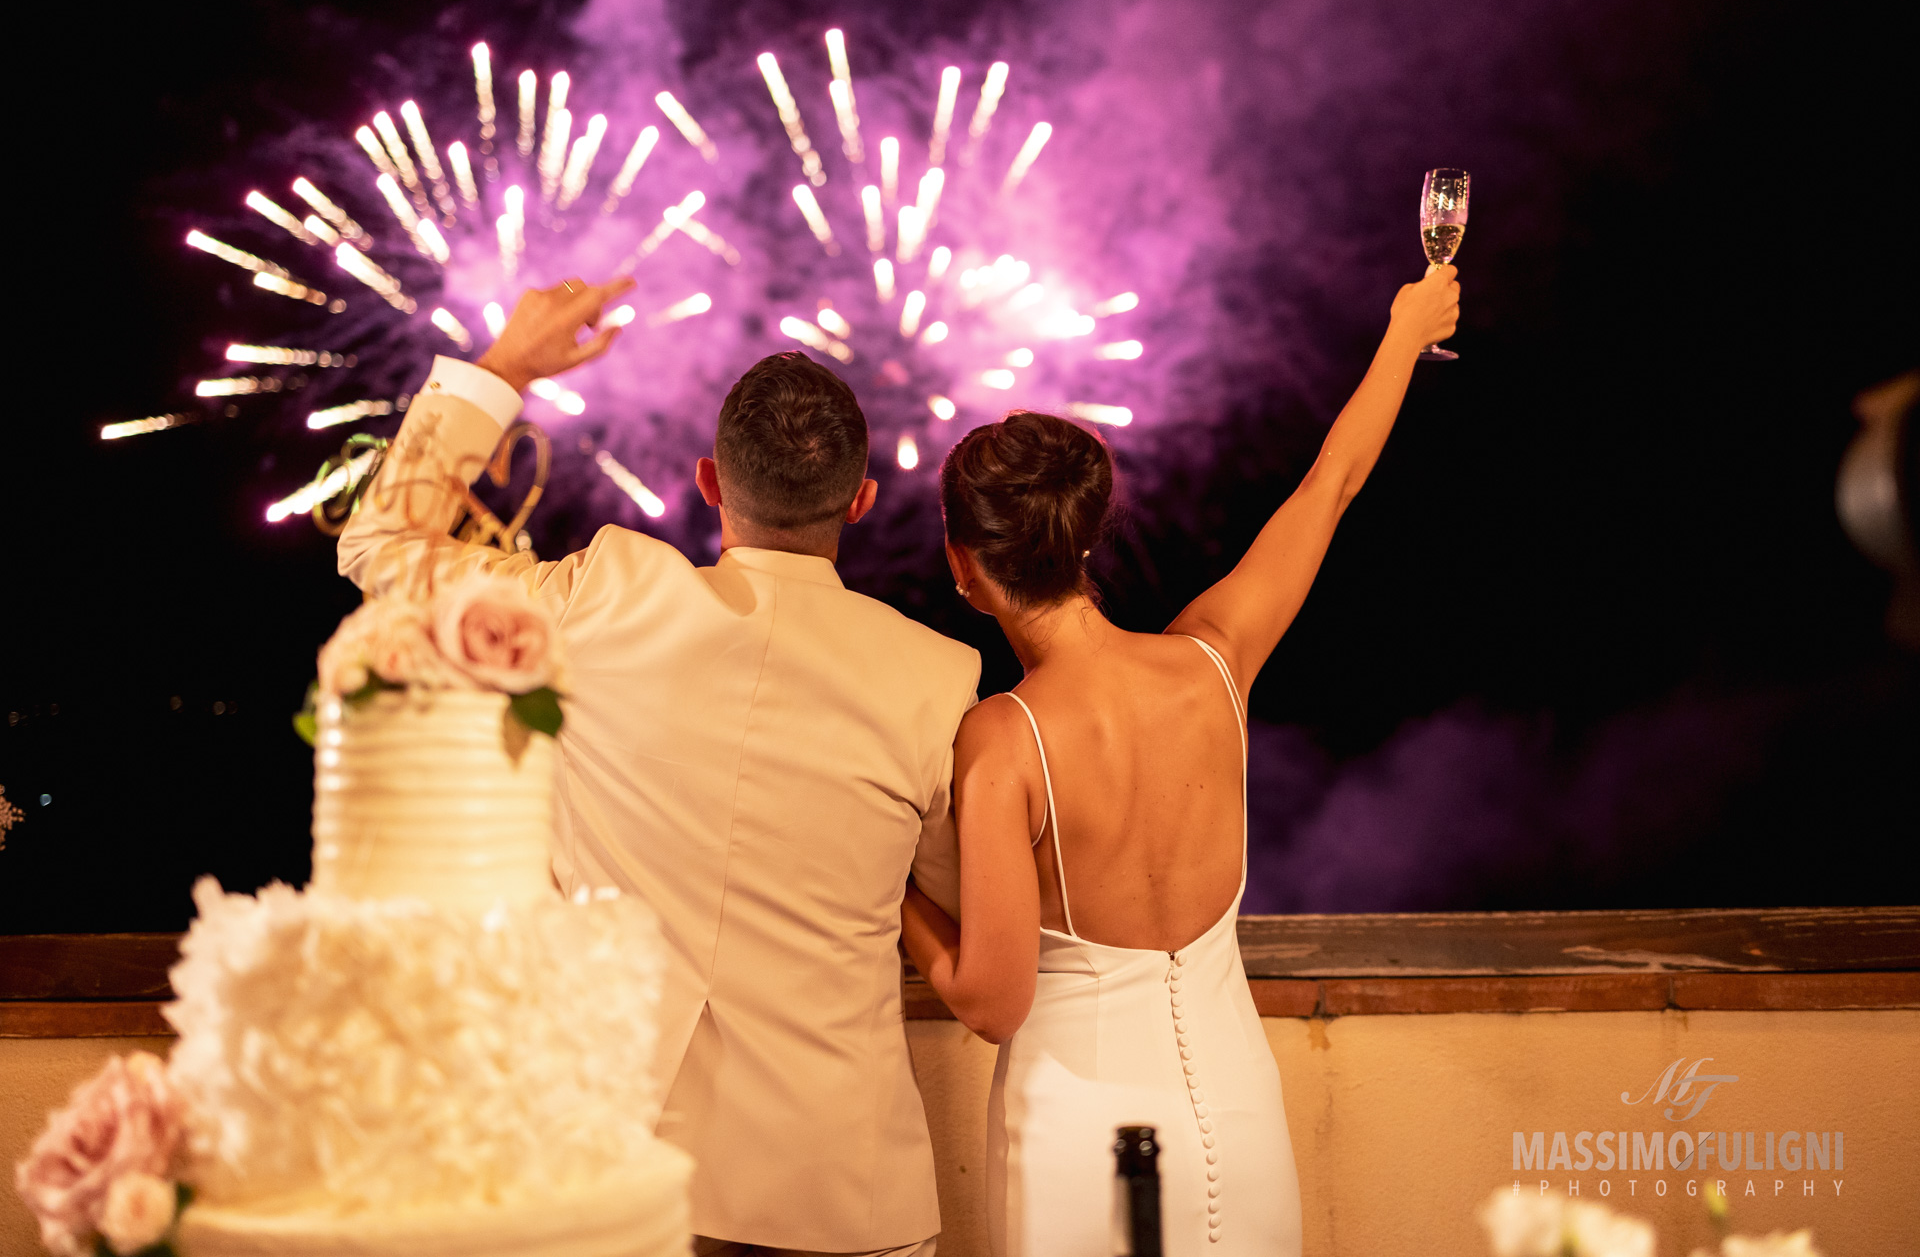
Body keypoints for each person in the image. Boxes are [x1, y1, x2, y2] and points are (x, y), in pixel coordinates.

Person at [339, 276, 979, 1257]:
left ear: (710, 482)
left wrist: (505, 367)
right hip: (843, 1188)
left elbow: (381, 543)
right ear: (860, 500)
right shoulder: (937, 677)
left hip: (621, 1177)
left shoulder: (604, 596)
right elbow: (954, 901)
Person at [900, 265, 1462, 1255]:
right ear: (1085, 541)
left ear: (966, 569)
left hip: (1078, 1131)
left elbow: (990, 1000)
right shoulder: (1211, 663)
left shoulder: (1002, 734)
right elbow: (1329, 486)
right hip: (1239, 1112)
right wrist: (1405, 331)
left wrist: (888, 886)